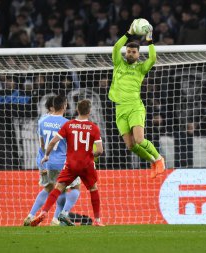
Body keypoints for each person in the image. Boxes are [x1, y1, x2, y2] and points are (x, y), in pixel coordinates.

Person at [30, 99, 105, 227]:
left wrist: (47, 155)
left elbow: (53, 142)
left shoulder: (69, 125)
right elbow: (100, 151)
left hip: (70, 163)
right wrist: (91, 156)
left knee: (58, 188)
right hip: (86, 164)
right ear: (89, 111)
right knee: (93, 189)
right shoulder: (94, 128)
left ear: (77, 110)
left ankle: (43, 212)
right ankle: (97, 220)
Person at [108, 19, 165, 178]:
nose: (130, 53)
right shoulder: (118, 63)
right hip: (119, 108)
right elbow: (116, 47)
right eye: (129, 51)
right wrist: (128, 33)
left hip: (134, 107)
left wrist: (150, 40)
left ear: (138, 55)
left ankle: (160, 159)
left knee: (139, 140)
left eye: (134, 52)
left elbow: (153, 58)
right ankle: (152, 161)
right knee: (130, 145)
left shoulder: (141, 68)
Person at [23, 95, 81, 226]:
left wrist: (44, 159)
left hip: (46, 161)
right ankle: (57, 218)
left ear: (53, 106)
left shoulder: (42, 121)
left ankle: (31, 215)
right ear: (65, 105)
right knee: (73, 188)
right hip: (62, 162)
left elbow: (42, 144)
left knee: (49, 188)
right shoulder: (67, 123)